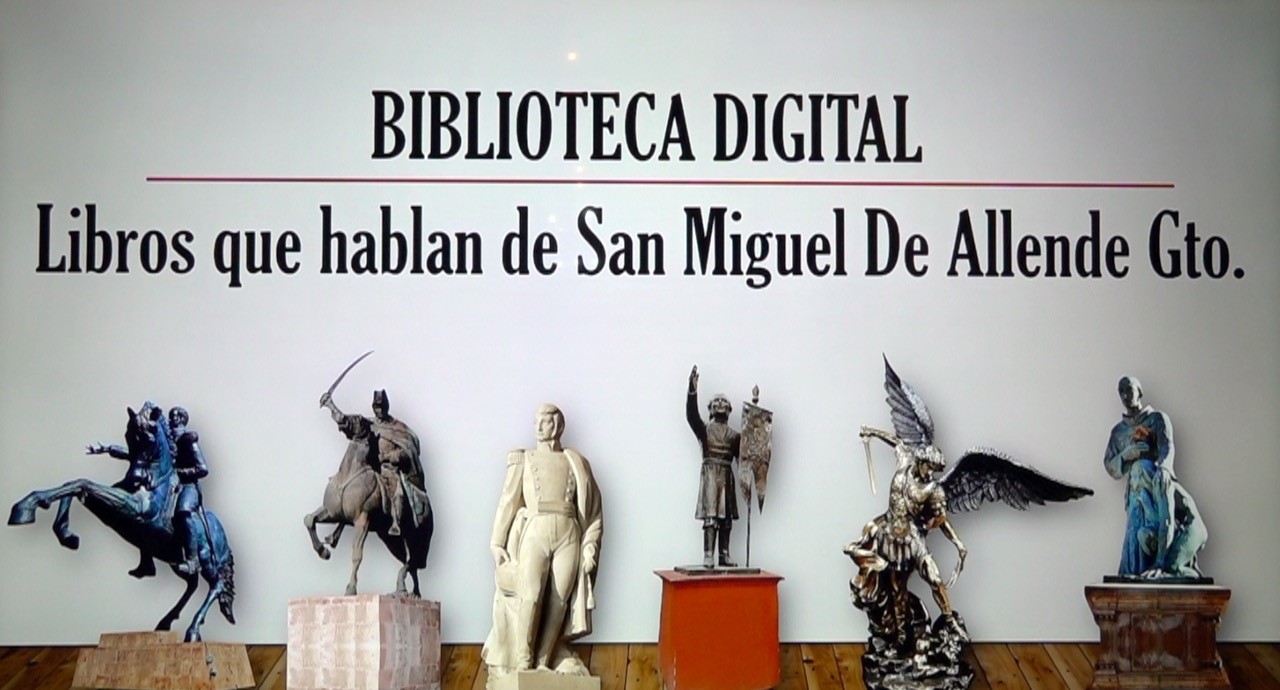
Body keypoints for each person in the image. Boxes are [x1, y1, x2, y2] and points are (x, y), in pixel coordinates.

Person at [482, 404, 603, 679]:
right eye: (536, 421)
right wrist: (497, 542)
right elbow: (508, 501)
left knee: (559, 601)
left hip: (569, 534)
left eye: (545, 421)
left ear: (557, 426)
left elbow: (594, 511)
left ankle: (544, 661)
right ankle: (522, 662)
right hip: (535, 530)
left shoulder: (577, 462)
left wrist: (590, 548)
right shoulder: (524, 459)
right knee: (532, 595)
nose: (538, 426)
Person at [1104, 376, 1207, 578]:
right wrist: (1127, 454)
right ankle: (1138, 571)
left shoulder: (1157, 419)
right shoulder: (1118, 432)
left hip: (1156, 483)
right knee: (1138, 530)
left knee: (1167, 560)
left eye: (1130, 389)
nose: (1125, 395)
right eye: (1121, 391)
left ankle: (1165, 566)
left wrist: (1164, 469)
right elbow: (1110, 466)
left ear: (1140, 392)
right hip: (1137, 493)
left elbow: (1167, 448)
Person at [321, 389, 425, 537]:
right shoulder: (367, 424)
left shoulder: (398, 428)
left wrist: (389, 456)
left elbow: (407, 450)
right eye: (376, 407)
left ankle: (396, 523)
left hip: (388, 469)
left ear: (386, 406)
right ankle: (338, 524)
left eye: (381, 407)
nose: (379, 410)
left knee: (398, 491)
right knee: (349, 489)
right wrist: (331, 405)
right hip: (367, 468)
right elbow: (345, 421)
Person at [686, 365, 740, 568]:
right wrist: (692, 391)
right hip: (710, 475)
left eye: (724, 401)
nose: (720, 403)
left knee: (726, 519)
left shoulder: (734, 436)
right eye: (716, 401)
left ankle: (724, 554)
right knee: (711, 518)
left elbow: (745, 457)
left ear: (729, 409)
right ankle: (708, 554)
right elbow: (692, 416)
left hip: (726, 476)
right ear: (710, 409)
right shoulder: (705, 430)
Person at [168, 406, 209, 576]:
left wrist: (180, 473)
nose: (171, 420)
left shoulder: (188, 440)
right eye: (170, 417)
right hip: (171, 486)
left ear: (181, 420)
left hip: (188, 486)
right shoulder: (166, 441)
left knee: (183, 512)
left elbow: (203, 469)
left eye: (174, 417)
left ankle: (193, 560)